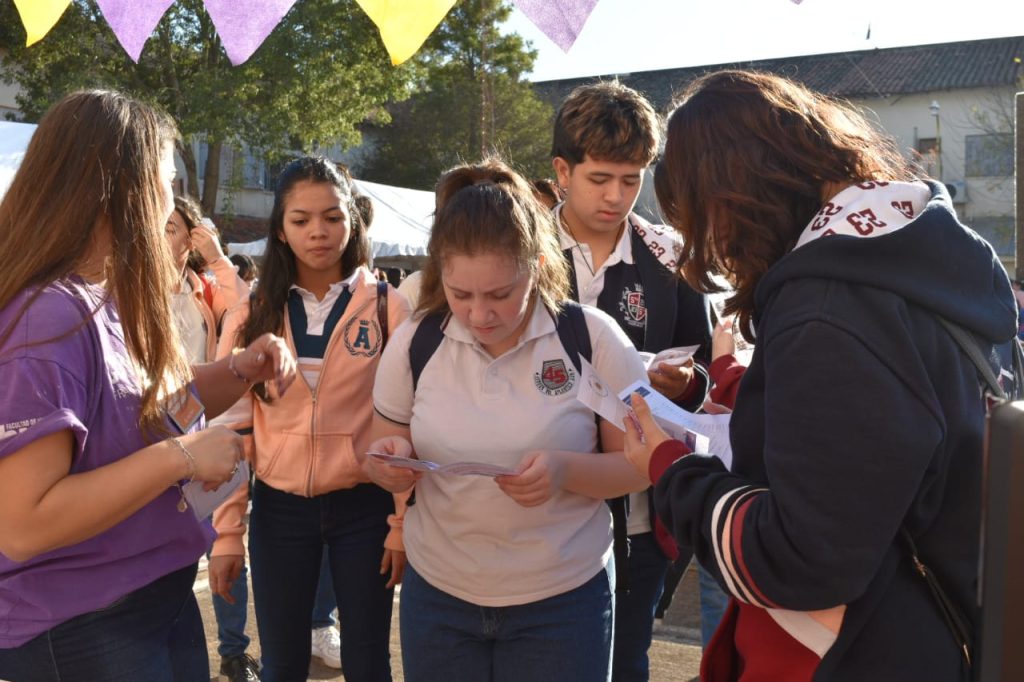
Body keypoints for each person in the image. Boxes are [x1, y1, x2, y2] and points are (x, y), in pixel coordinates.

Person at [625, 69, 1018, 681]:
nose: (716, 248)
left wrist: (670, 467)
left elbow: (801, 560)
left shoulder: (829, 310)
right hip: (945, 632)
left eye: (704, 219)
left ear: (736, 197)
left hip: (851, 651)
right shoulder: (932, 251)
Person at [0, 89, 295, 682]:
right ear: (124, 187)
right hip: (84, 624)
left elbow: (142, 411)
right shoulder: (49, 316)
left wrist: (238, 370)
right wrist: (181, 457)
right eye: (164, 178)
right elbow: (24, 522)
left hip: (141, 602)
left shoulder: (97, 298)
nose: (171, 202)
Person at [361, 158, 651, 682]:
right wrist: (389, 464)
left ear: (538, 266)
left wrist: (565, 472)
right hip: (440, 596)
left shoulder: (593, 338)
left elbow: (641, 466)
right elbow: (385, 443)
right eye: (460, 294)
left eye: (500, 294)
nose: (478, 315)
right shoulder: (416, 341)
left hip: (563, 599)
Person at [208, 156, 410, 682]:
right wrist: (228, 534)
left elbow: (408, 426)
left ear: (353, 220)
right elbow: (233, 431)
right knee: (282, 664)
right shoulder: (252, 314)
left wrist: (401, 522)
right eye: (301, 220)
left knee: (368, 661)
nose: (319, 232)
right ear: (280, 227)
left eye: (333, 217)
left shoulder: (389, 308)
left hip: (366, 508)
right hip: (279, 511)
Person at [549, 80, 721, 677]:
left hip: (643, 509)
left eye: (632, 179)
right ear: (561, 171)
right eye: (600, 179)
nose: (617, 197)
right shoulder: (521, 249)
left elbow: (707, 377)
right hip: (542, 498)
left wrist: (685, 382)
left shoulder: (670, 255)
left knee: (627, 659)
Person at [165, 195, 260, 682]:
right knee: (172, 555)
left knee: (225, 544)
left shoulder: (203, 288)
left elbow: (246, 307)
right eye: (158, 226)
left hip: (208, 428)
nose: (166, 234)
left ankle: (232, 649)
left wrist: (218, 257)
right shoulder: (135, 286)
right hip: (155, 438)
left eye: (176, 226)